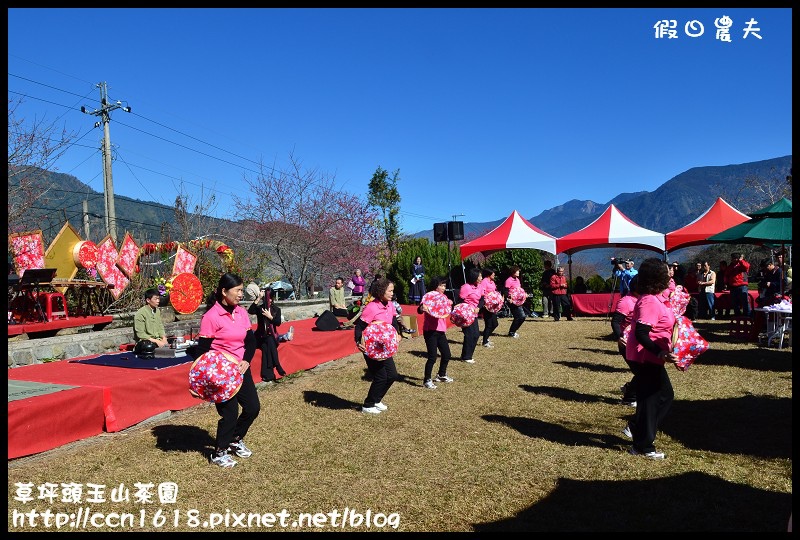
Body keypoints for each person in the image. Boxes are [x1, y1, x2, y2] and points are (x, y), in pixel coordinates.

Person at [196, 273, 260, 468]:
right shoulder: (211, 317)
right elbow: (202, 351)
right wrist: (201, 380)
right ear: (224, 292)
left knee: (252, 408)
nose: (241, 294)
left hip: (241, 369)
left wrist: (247, 361)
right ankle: (219, 452)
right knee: (230, 414)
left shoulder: (241, 312)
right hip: (221, 374)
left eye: (242, 290)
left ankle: (235, 439)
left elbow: (251, 341)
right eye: (238, 290)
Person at [625, 258, 677, 460]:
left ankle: (639, 432)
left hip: (650, 357)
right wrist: (659, 352)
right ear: (658, 276)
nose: (670, 274)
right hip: (645, 356)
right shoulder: (649, 301)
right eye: (667, 271)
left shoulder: (656, 298)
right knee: (656, 398)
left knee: (659, 396)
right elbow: (641, 333)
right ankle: (643, 445)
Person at [354, 277, 400, 414]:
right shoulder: (372, 307)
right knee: (380, 377)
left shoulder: (390, 305)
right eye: (390, 291)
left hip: (385, 347)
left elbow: (393, 321)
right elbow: (359, 326)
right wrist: (358, 342)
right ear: (381, 291)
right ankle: (368, 405)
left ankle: (376, 400)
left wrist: (397, 334)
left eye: (393, 290)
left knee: (392, 375)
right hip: (371, 348)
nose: (392, 293)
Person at [417, 276, 454, 389]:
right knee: (432, 356)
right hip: (430, 330)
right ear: (435, 286)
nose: (444, 287)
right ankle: (427, 380)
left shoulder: (444, 298)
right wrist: (421, 308)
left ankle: (441, 374)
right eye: (441, 285)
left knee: (447, 354)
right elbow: (420, 309)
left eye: (444, 285)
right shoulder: (428, 296)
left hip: (441, 330)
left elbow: (446, 311)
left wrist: (449, 304)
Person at [610, 275, 640, 409]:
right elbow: (615, 322)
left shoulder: (642, 299)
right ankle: (629, 398)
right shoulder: (626, 301)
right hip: (627, 343)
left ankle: (629, 388)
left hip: (639, 341)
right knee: (642, 372)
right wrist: (619, 336)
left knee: (644, 371)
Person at [248, 286, 288, 382]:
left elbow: (278, 322)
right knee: (268, 341)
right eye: (266, 298)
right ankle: (277, 365)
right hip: (260, 336)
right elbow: (250, 311)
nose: (268, 300)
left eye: (270, 298)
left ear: (272, 298)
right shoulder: (260, 308)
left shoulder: (276, 309)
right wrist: (258, 298)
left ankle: (267, 375)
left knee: (267, 346)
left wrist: (270, 317)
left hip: (271, 336)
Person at [133, 288, 168, 357]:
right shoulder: (140, 313)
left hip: (157, 339)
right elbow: (140, 334)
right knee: (148, 346)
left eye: (158, 299)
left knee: (174, 341)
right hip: (145, 341)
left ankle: (162, 350)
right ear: (148, 300)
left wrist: (164, 338)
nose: (158, 301)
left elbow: (160, 326)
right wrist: (157, 341)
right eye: (155, 299)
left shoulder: (157, 311)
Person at [458, 267, 483, 364]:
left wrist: (478, 308)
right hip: (466, 315)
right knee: (469, 335)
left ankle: (468, 355)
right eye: (480, 276)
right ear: (474, 276)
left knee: (476, 335)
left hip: (474, 315)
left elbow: (482, 299)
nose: (481, 278)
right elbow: (460, 300)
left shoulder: (479, 286)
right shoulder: (466, 287)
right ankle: (466, 356)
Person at [725, 252, 751, 318]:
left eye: (735, 258)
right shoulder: (730, 266)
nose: (733, 260)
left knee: (745, 301)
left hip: (742, 285)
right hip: (733, 286)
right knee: (734, 302)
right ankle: (737, 314)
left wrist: (741, 260)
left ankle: (747, 314)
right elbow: (727, 274)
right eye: (732, 258)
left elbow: (747, 266)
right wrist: (726, 282)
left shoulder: (743, 264)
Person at [479, 267, 499, 348]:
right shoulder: (484, 281)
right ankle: (484, 341)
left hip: (492, 306)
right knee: (489, 324)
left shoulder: (492, 282)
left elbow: (494, 291)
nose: (494, 274)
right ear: (489, 274)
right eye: (493, 273)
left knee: (495, 324)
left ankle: (486, 338)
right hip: (486, 306)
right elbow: (482, 292)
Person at [504, 265, 526, 338]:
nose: (519, 272)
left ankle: (512, 331)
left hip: (518, 301)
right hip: (512, 301)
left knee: (521, 317)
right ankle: (512, 332)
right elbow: (506, 291)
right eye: (517, 271)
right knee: (520, 316)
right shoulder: (508, 280)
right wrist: (508, 298)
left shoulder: (517, 279)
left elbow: (519, 289)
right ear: (513, 272)